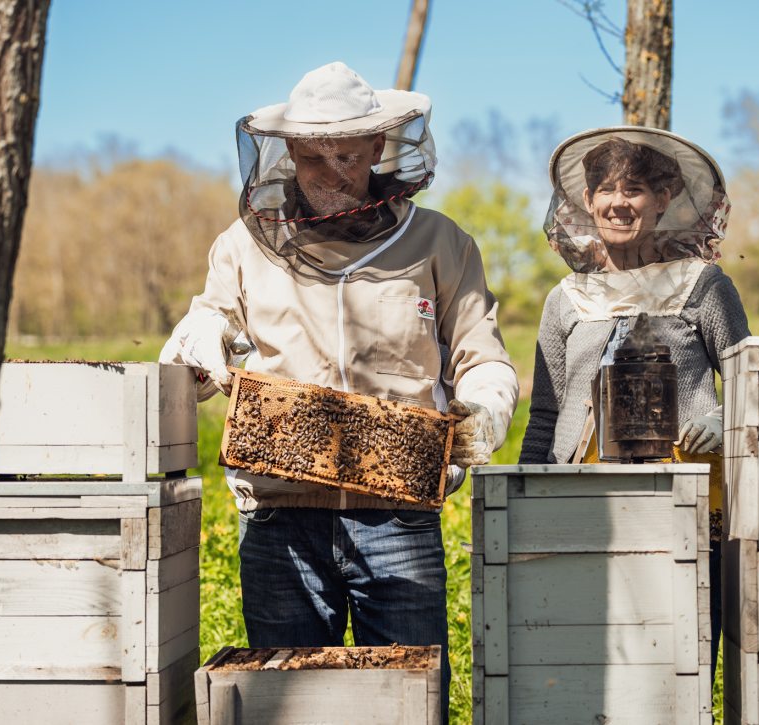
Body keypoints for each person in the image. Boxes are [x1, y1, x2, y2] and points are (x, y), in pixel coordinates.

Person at [160, 62, 519, 721]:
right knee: (291, 705)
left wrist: (481, 414)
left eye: (346, 157)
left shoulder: (441, 242)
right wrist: (201, 340)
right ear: (287, 153)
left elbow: (481, 356)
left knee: (410, 699)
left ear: (379, 148)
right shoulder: (244, 245)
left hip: (398, 514)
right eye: (311, 159)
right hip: (279, 515)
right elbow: (200, 343)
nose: (329, 175)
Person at [518, 127, 750, 677]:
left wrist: (724, 422)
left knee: (678, 656)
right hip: (579, 500)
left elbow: (751, 383)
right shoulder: (565, 299)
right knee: (587, 656)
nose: (618, 203)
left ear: (663, 200)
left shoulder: (704, 286)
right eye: (605, 190)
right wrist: (524, 493)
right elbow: (546, 412)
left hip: (688, 498)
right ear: (586, 199)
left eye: (635, 190)